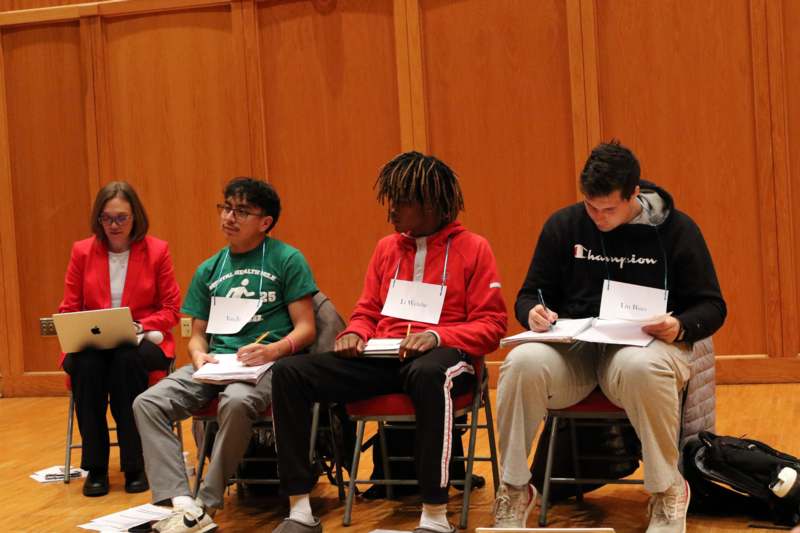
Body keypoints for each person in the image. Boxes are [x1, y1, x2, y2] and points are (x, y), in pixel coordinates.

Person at [492, 140, 726, 533]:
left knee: (641, 368)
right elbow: (530, 294)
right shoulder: (564, 225)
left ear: (634, 194)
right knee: (520, 363)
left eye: (609, 209)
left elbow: (712, 306)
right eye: (591, 207)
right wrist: (532, 312)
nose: (598, 217)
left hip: (646, 347)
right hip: (576, 349)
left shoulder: (678, 230)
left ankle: (667, 490)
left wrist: (680, 326)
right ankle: (515, 488)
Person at [270, 151, 508, 533]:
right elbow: (367, 309)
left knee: (429, 374)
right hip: (384, 356)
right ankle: (299, 511)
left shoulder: (474, 248)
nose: (391, 210)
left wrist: (437, 335)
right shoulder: (386, 248)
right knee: (289, 372)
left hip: (446, 358)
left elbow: (493, 326)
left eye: (401, 201)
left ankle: (435, 517)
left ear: (430, 204)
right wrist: (355, 332)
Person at [133, 177, 318, 533]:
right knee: (148, 402)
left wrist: (272, 350)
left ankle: (206, 503)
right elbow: (197, 335)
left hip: (266, 365)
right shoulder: (210, 269)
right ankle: (181, 502)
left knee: (235, 402)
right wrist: (198, 354)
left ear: (265, 222)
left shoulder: (287, 259)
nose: (229, 217)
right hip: (217, 363)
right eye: (226, 208)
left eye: (242, 211)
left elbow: (306, 328)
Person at [59, 181, 181, 497]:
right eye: (107, 218)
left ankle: (134, 463)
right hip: (94, 343)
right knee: (86, 364)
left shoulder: (157, 251)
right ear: (98, 219)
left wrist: (140, 325)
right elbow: (69, 308)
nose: (113, 225)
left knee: (126, 361)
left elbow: (171, 309)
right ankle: (96, 467)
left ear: (135, 217)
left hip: (143, 341)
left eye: (121, 218)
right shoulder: (82, 251)